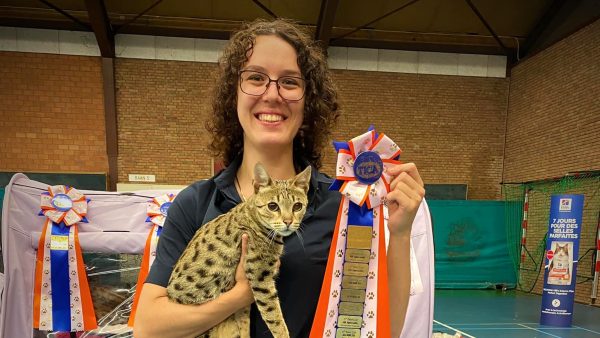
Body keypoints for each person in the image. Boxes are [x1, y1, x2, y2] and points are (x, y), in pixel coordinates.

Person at [133, 18, 425, 338]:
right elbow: (148, 328)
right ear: (234, 95)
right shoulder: (197, 202)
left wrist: (399, 233)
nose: (272, 94)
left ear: (308, 101)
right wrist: (238, 297)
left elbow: (383, 328)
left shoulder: (342, 204)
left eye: (289, 82)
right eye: (256, 77)